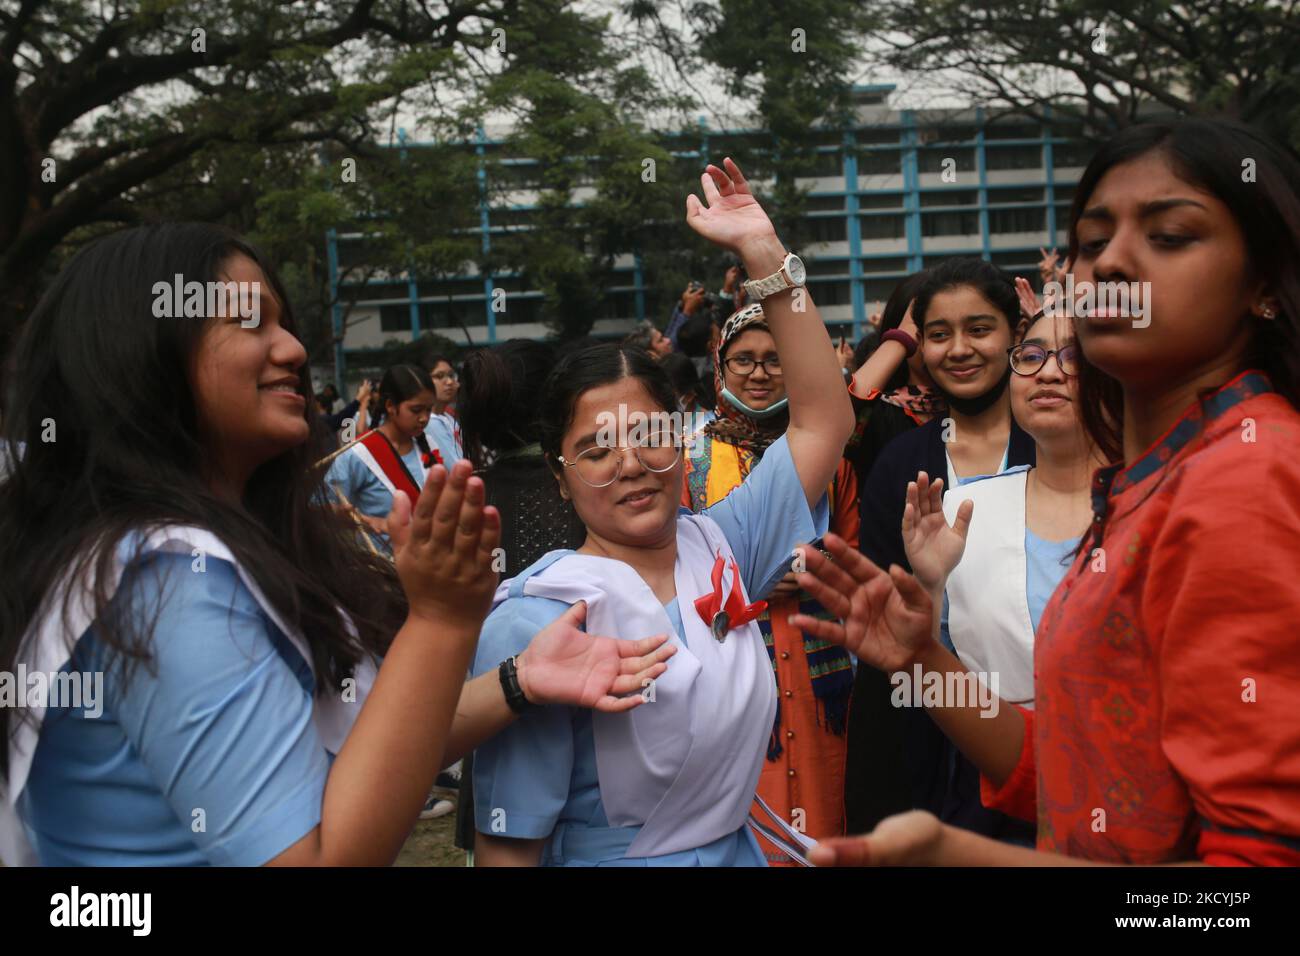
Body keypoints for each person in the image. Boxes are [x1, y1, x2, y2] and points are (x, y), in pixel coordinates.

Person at [0, 223, 675, 867]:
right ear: (137, 353)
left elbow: (366, 749)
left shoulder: (195, 551)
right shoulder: (169, 580)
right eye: (248, 321)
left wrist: (517, 680)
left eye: (282, 322)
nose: (292, 348)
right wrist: (440, 622)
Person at [799, 116, 1300, 866]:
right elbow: (1079, 780)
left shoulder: (1248, 475)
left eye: (1169, 236)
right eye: (1093, 242)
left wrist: (960, 858)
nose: (1112, 264)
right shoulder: (1154, 476)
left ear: (1263, 285)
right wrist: (925, 664)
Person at [470, 158, 854, 866]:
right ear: (558, 476)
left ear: (681, 438)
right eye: (594, 449)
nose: (629, 464)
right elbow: (507, 841)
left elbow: (823, 420)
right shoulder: (538, 615)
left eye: (648, 435)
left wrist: (766, 257)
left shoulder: (727, 541)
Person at [855, 257, 1035, 843]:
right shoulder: (900, 465)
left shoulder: (1065, 442)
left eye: (980, 329)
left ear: (1015, 335)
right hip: (940, 748)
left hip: (1062, 735)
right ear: (917, 349)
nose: (959, 349)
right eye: (938, 335)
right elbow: (891, 630)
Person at [681, 302, 859, 865]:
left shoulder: (833, 459)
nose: (759, 374)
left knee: (827, 799)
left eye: (775, 360)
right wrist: (751, 577)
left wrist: (811, 568)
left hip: (817, 660)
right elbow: (679, 557)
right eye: (744, 361)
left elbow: (855, 551)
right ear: (720, 368)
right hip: (729, 653)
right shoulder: (686, 459)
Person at [325, 364, 438, 545]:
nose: (424, 418)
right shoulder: (357, 455)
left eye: (429, 409)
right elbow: (321, 508)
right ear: (390, 406)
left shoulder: (429, 445)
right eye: (416, 410)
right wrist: (361, 520)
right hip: (381, 567)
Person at [424, 355, 463, 466]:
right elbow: (456, 467)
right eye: (439, 376)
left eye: (451, 375)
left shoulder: (448, 417)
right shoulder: (430, 422)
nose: (450, 382)